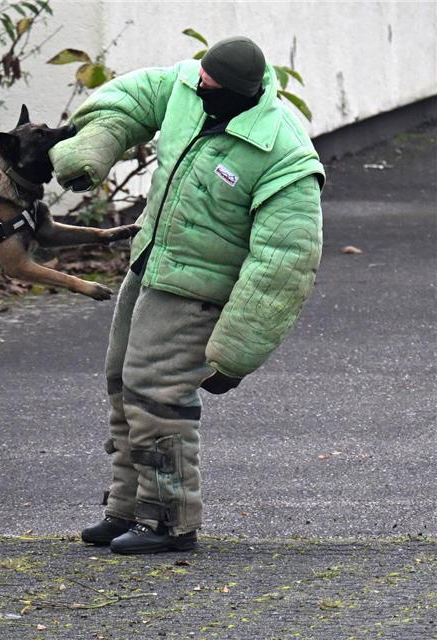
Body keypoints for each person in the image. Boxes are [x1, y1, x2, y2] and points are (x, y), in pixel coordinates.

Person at [49, 36, 325, 554]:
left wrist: (236, 353)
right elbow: (127, 101)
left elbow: (285, 263)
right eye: (199, 79)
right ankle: (127, 508)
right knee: (123, 388)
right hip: (148, 268)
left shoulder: (282, 153)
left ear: (239, 92)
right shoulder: (186, 87)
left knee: (158, 397)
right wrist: (93, 147)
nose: (198, 88)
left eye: (210, 86)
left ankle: (168, 521)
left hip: (198, 293)